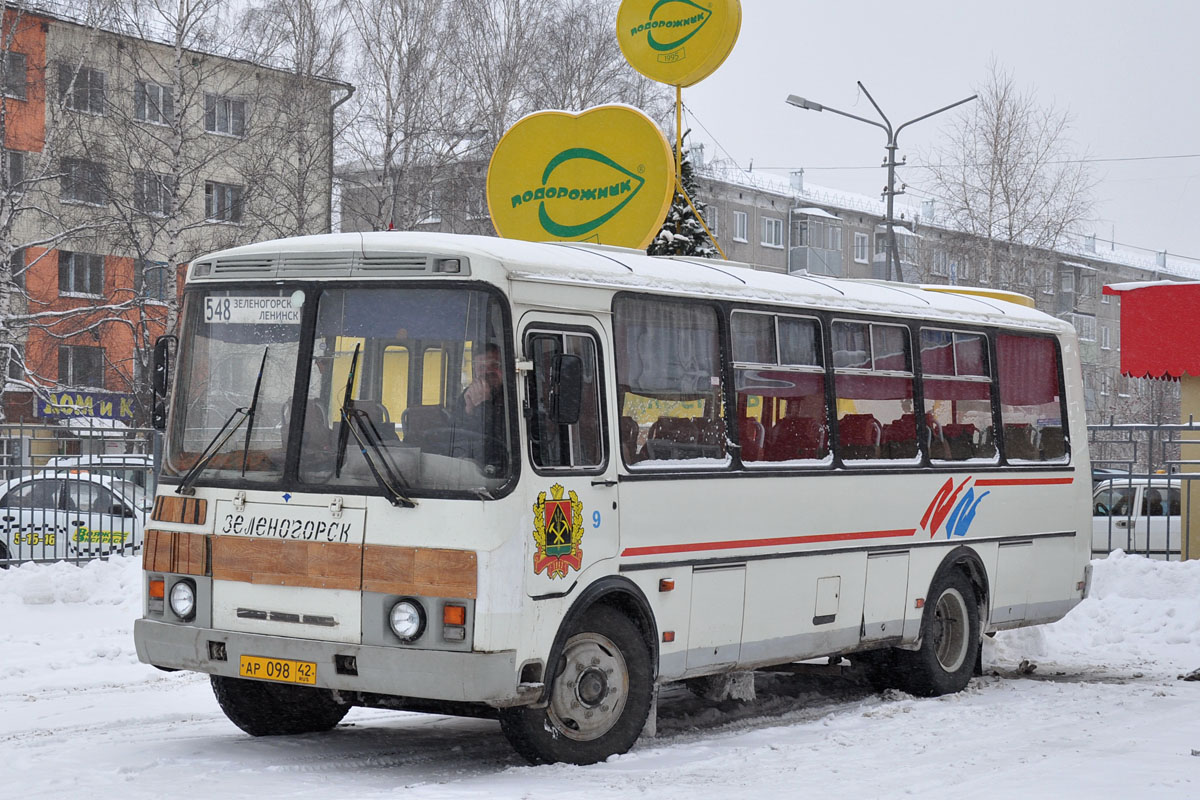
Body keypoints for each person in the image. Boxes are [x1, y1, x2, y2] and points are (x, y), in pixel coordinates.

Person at [455, 343, 508, 474]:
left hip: (502, 470)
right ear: (475, 370)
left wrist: (483, 405)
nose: (488, 372)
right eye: (481, 367)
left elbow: (498, 443)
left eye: (495, 366)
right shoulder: (467, 396)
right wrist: (469, 411)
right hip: (470, 469)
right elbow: (455, 437)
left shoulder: (513, 396)